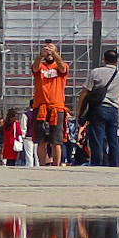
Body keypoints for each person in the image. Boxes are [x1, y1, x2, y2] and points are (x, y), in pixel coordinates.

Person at [80, 49, 119, 167]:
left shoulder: (96, 72)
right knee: (113, 140)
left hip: (98, 108)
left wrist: (80, 110)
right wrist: (117, 108)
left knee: (97, 139)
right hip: (113, 110)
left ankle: (97, 164)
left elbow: (85, 92)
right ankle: (115, 164)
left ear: (104, 59)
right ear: (117, 61)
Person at [31, 41, 70, 170]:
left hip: (56, 107)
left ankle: (56, 166)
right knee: (40, 140)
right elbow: (35, 68)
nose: (49, 53)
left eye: (51, 50)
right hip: (40, 106)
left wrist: (55, 54)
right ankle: (42, 165)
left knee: (56, 140)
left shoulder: (60, 66)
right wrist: (40, 55)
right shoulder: (40, 66)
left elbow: (63, 68)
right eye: (47, 50)